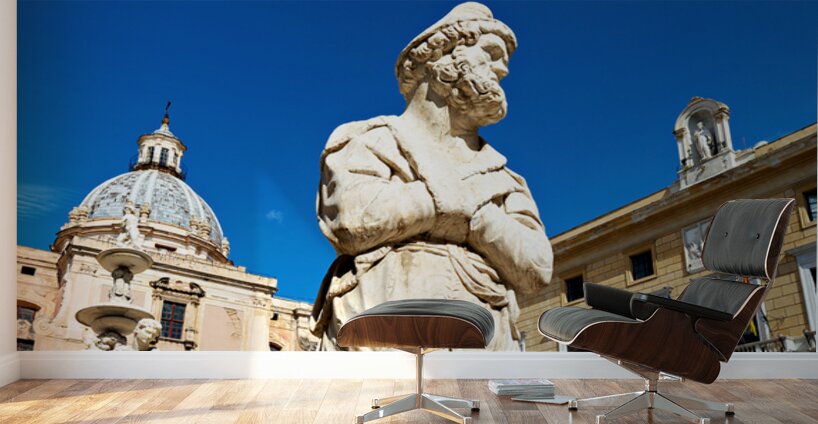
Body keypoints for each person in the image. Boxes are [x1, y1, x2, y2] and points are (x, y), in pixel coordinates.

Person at [312, 2, 553, 351]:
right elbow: (352, 222)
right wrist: (459, 203)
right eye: (489, 54)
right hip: (381, 334)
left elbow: (537, 268)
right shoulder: (368, 140)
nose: (503, 70)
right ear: (442, 60)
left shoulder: (505, 176)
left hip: (484, 342)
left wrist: (473, 218)